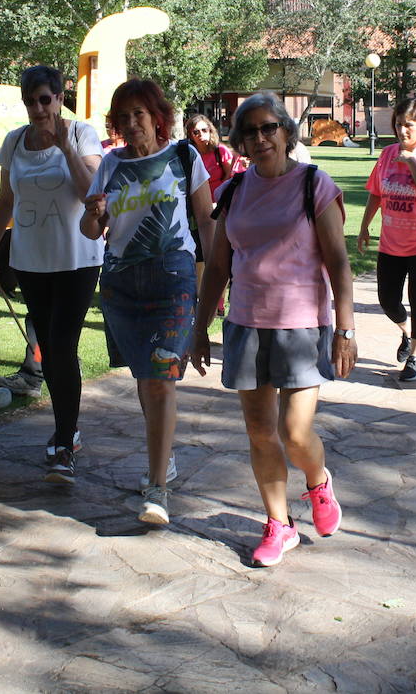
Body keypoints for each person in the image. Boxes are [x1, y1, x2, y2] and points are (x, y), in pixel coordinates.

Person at [190, 92, 356, 567]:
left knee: (295, 431)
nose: (260, 138)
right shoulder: (235, 191)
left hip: (302, 324)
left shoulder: (314, 185)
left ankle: (319, 484)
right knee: (261, 432)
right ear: (240, 141)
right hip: (245, 323)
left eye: (269, 128)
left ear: (286, 132)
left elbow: (339, 263)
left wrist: (345, 330)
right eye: (250, 132)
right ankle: (279, 525)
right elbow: (218, 266)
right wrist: (200, 329)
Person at [81, 79, 214, 525]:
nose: (133, 123)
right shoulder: (110, 166)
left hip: (172, 278)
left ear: (157, 117)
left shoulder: (183, 156)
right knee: (145, 377)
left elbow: (206, 222)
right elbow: (89, 230)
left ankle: (156, 488)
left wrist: (215, 277)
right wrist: (94, 214)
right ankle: (164, 455)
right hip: (121, 283)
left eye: (140, 114)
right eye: (124, 116)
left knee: (160, 379)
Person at [0, 66, 104, 484]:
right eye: (30, 101)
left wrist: (66, 148)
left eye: (44, 100)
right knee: (48, 347)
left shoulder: (82, 134)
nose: (37, 109)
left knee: (63, 345)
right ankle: (67, 429)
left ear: (59, 96)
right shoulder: (15, 141)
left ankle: (64, 441)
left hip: (77, 258)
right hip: (29, 259)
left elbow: (93, 195)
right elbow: (5, 199)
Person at [359, 97, 416, 382]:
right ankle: (406, 333)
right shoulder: (386, 154)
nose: (402, 131)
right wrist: (364, 226)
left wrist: (411, 163)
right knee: (388, 300)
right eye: (398, 125)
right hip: (391, 243)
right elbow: (376, 191)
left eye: (408, 125)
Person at [185, 113, 245, 312]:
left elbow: (229, 178)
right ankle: (203, 298)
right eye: (196, 132)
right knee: (199, 256)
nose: (201, 135)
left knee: (222, 255)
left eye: (205, 130)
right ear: (190, 135)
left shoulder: (220, 152)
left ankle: (219, 302)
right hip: (198, 212)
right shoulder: (190, 155)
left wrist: (217, 204)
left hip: (220, 210)